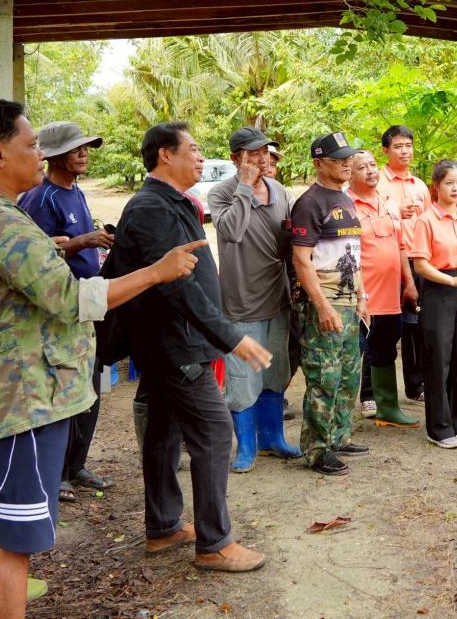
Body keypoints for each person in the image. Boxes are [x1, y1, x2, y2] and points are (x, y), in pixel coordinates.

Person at [0, 103, 248, 618]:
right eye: (31, 144)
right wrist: (157, 272)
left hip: (19, 397)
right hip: (19, 401)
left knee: (6, 535)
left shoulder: (2, 215)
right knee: (10, 539)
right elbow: (71, 299)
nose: (40, 155)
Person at [105, 121, 274, 575]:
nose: (202, 158)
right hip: (176, 345)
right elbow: (176, 288)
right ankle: (214, 543)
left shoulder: (170, 203)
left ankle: (162, 527)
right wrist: (232, 336)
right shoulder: (149, 208)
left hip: (174, 342)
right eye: (194, 149)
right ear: (165, 154)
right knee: (216, 433)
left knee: (163, 433)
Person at [18, 121, 113, 503]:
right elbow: (36, 258)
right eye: (76, 149)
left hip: (89, 305)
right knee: (63, 393)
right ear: (53, 155)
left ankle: (77, 464)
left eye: (87, 147)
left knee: (92, 387)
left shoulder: (77, 192)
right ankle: (55, 474)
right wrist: (81, 243)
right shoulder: (40, 199)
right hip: (60, 312)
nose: (84, 153)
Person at [208, 126, 299, 471]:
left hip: (278, 298)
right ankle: (245, 448)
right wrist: (244, 187)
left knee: (275, 373)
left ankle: (273, 439)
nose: (262, 158)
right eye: (253, 153)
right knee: (243, 379)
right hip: (241, 302)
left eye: (265, 151)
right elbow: (230, 232)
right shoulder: (221, 193)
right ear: (236, 158)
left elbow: (290, 242)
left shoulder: (278, 189)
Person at [289, 132, 371, 476]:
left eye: (348, 158)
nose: (347, 164)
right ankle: (317, 448)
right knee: (324, 376)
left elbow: (354, 253)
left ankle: (338, 435)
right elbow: (301, 260)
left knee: (350, 374)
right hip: (325, 300)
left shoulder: (346, 199)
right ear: (319, 163)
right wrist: (322, 306)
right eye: (339, 160)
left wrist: (363, 297)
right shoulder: (310, 203)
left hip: (351, 301)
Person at [411, 160, 457, 448]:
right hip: (439, 291)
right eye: (449, 183)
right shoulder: (426, 220)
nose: (455, 188)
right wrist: (450, 281)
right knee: (439, 358)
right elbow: (420, 264)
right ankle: (439, 428)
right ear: (436, 186)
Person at [347, 149, 421, 429]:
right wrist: (360, 293)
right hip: (362, 296)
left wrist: (409, 282)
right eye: (361, 167)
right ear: (349, 173)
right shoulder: (346, 205)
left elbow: (401, 246)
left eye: (372, 165)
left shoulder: (388, 202)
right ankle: (340, 419)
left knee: (386, 348)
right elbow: (348, 256)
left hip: (392, 293)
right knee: (353, 353)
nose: (370, 170)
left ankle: (387, 409)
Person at [378, 124, 427, 403]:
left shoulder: (419, 185)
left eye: (408, 146)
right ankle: (373, 394)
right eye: (398, 146)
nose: (404, 151)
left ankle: (415, 385)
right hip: (387, 264)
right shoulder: (378, 182)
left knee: (415, 326)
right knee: (383, 327)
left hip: (417, 261)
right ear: (386, 150)